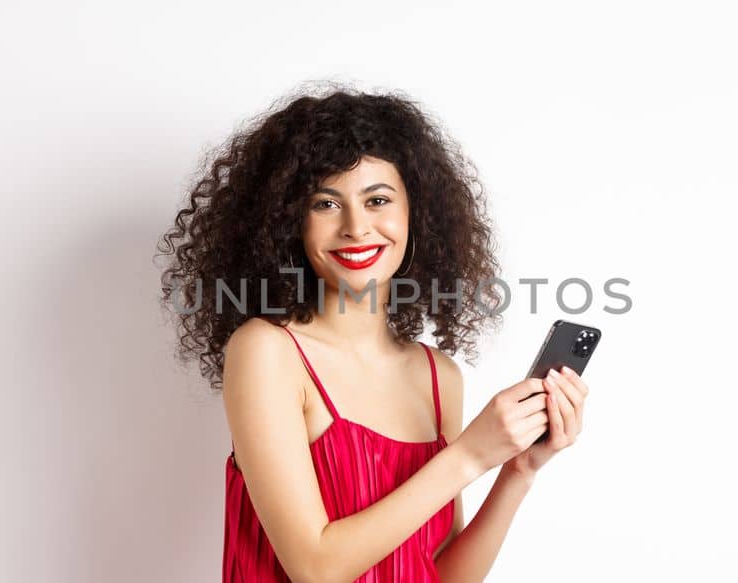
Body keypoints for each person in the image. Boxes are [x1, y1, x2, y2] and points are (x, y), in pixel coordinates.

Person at [157, 84, 591, 582]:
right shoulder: (267, 351)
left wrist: (517, 470)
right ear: (287, 223)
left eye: (378, 199)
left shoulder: (437, 375)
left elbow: (444, 575)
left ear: (417, 214)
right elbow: (315, 568)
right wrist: (470, 454)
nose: (356, 227)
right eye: (325, 204)